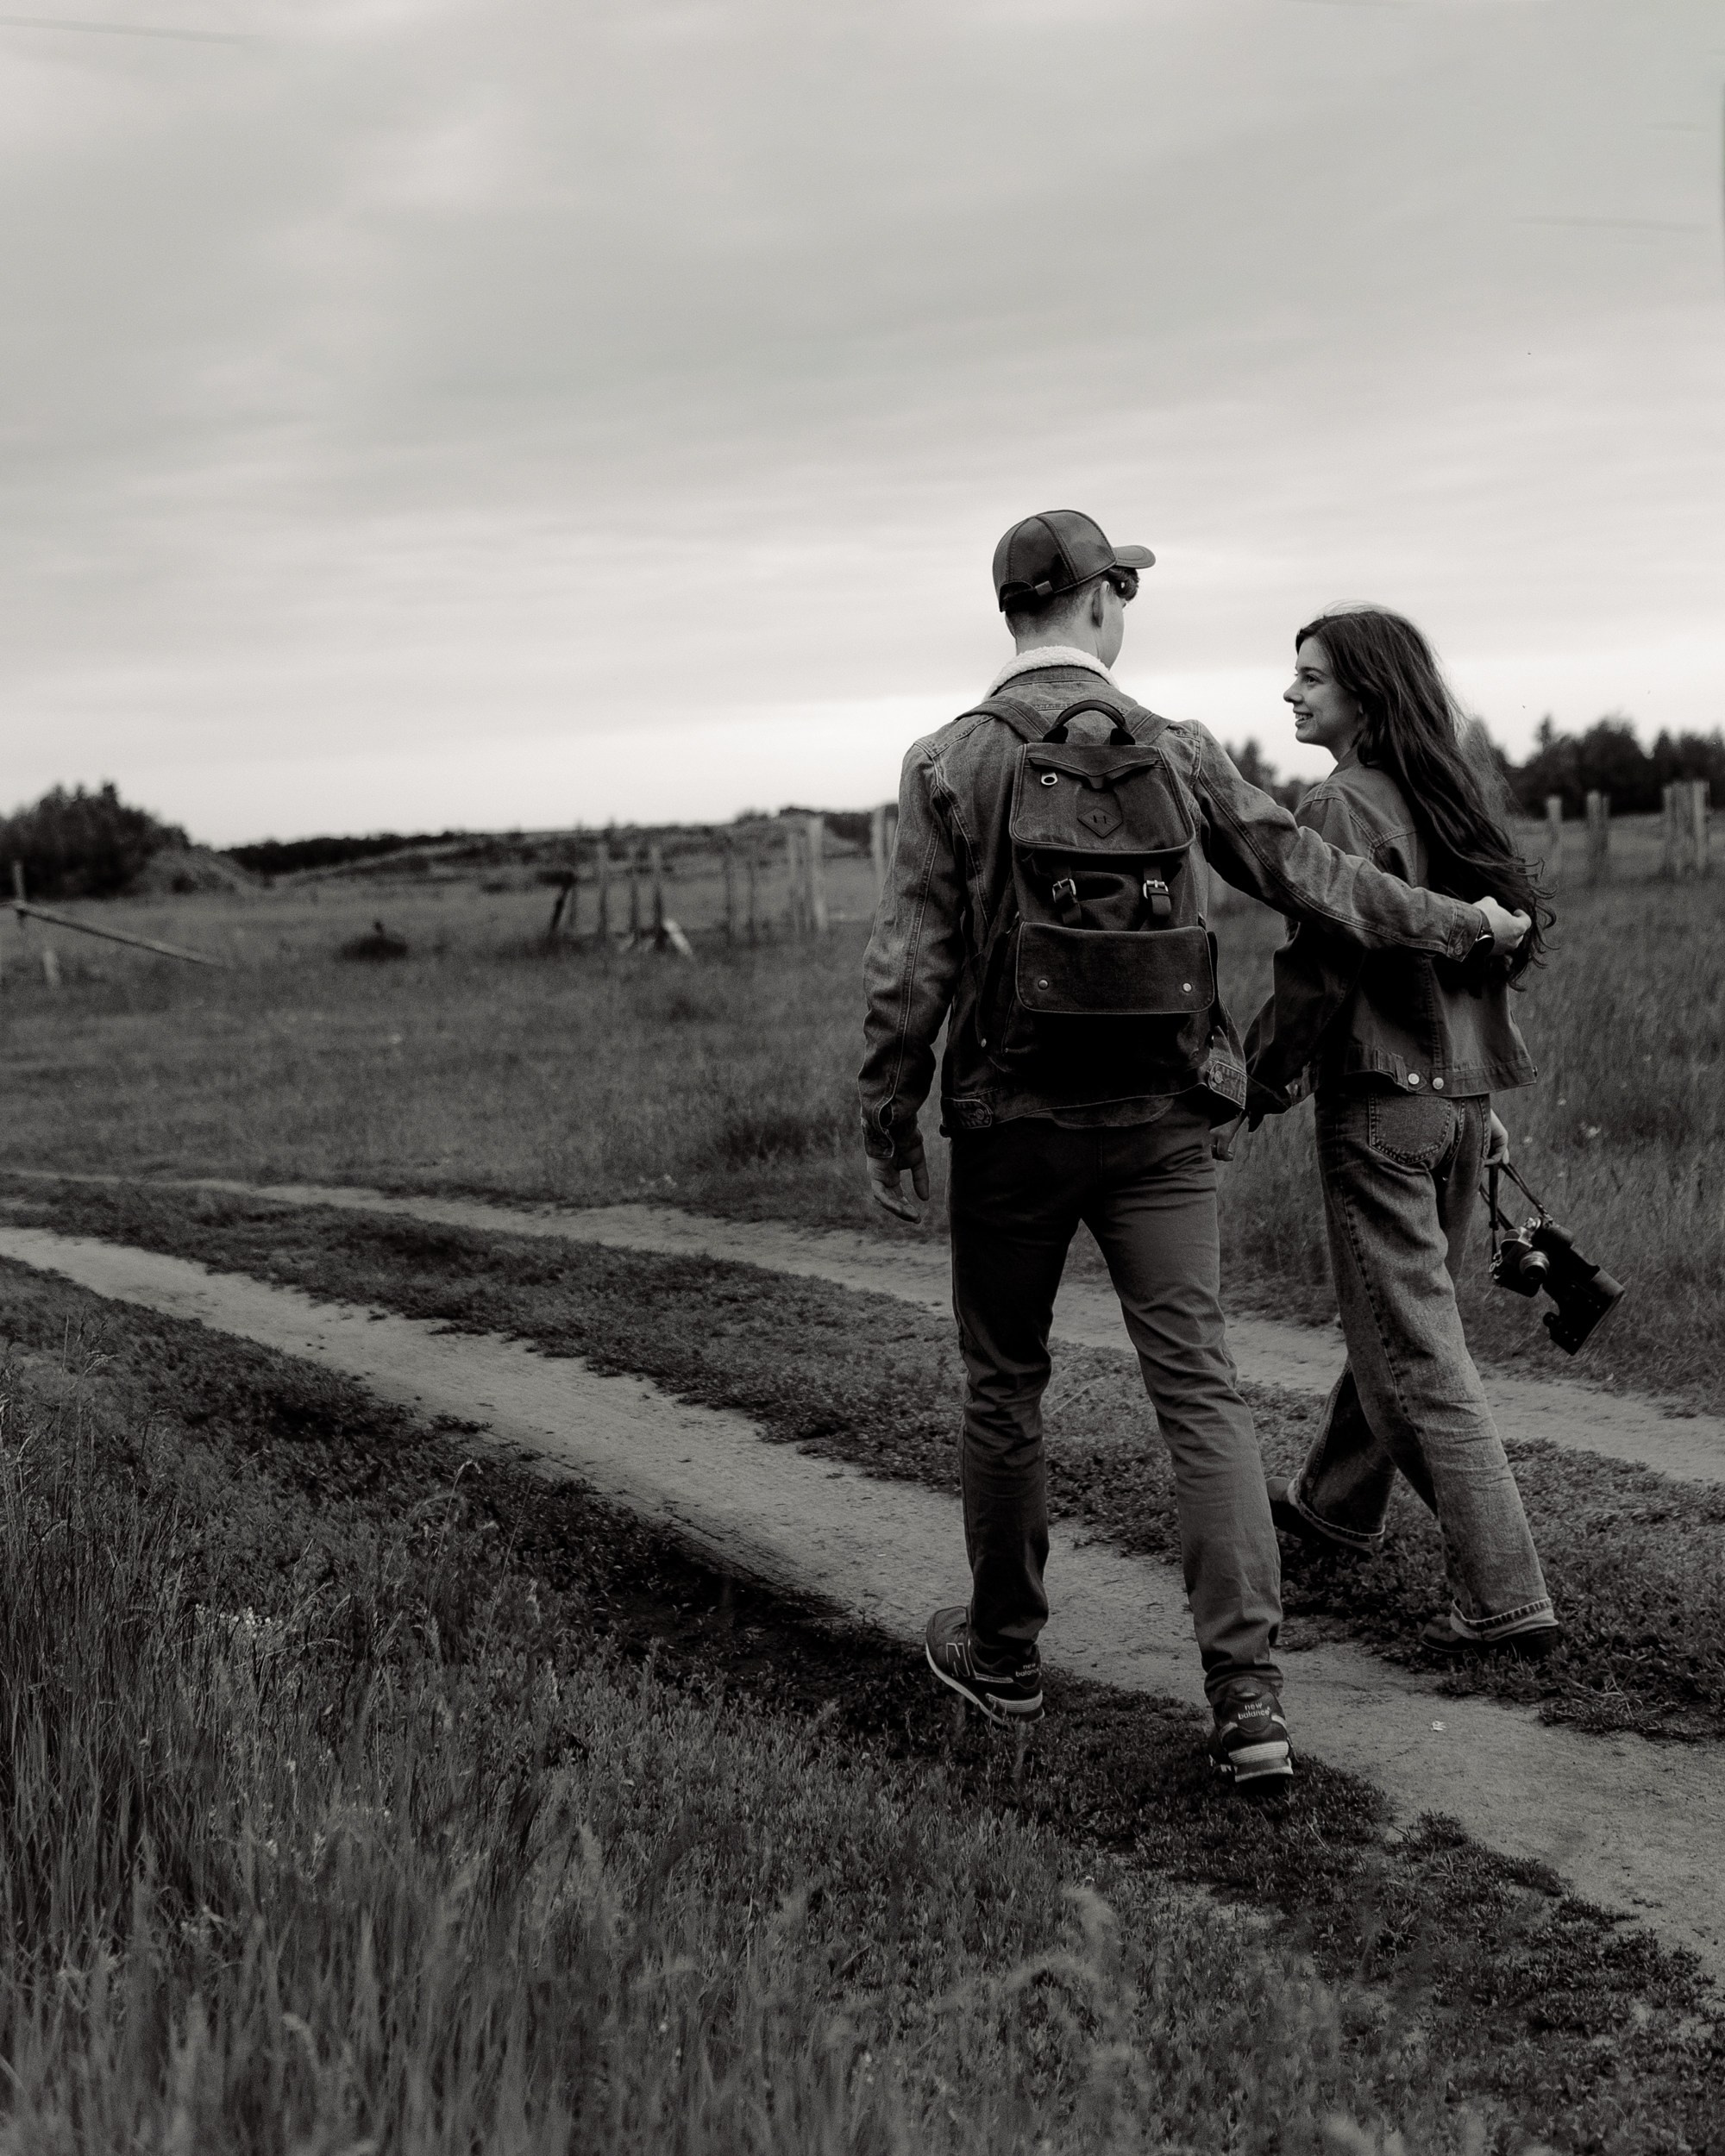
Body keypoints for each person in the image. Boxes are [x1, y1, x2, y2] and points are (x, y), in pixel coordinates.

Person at [856, 512, 1532, 1786]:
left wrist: (890, 1117)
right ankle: (1248, 1700)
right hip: (1167, 1123)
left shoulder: (945, 762)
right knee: (1200, 1390)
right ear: (1104, 602)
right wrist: (1465, 924)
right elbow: (1317, 876)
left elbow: (910, 969)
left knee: (1005, 1385)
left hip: (1011, 1123)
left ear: (1010, 610)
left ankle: (1002, 1658)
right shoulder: (1180, 752)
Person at [1243, 606, 1559, 1658]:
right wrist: (1482, 1106)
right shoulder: (1445, 795)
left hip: (1383, 1106)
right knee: (1398, 1321)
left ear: (1364, 696)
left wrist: (1253, 1081)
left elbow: (1322, 973)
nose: (1290, 693)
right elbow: (1465, 967)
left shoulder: (1335, 804)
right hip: (1458, 1109)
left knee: (1413, 1359)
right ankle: (1333, 1506)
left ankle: (1503, 1593)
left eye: (1310, 678)